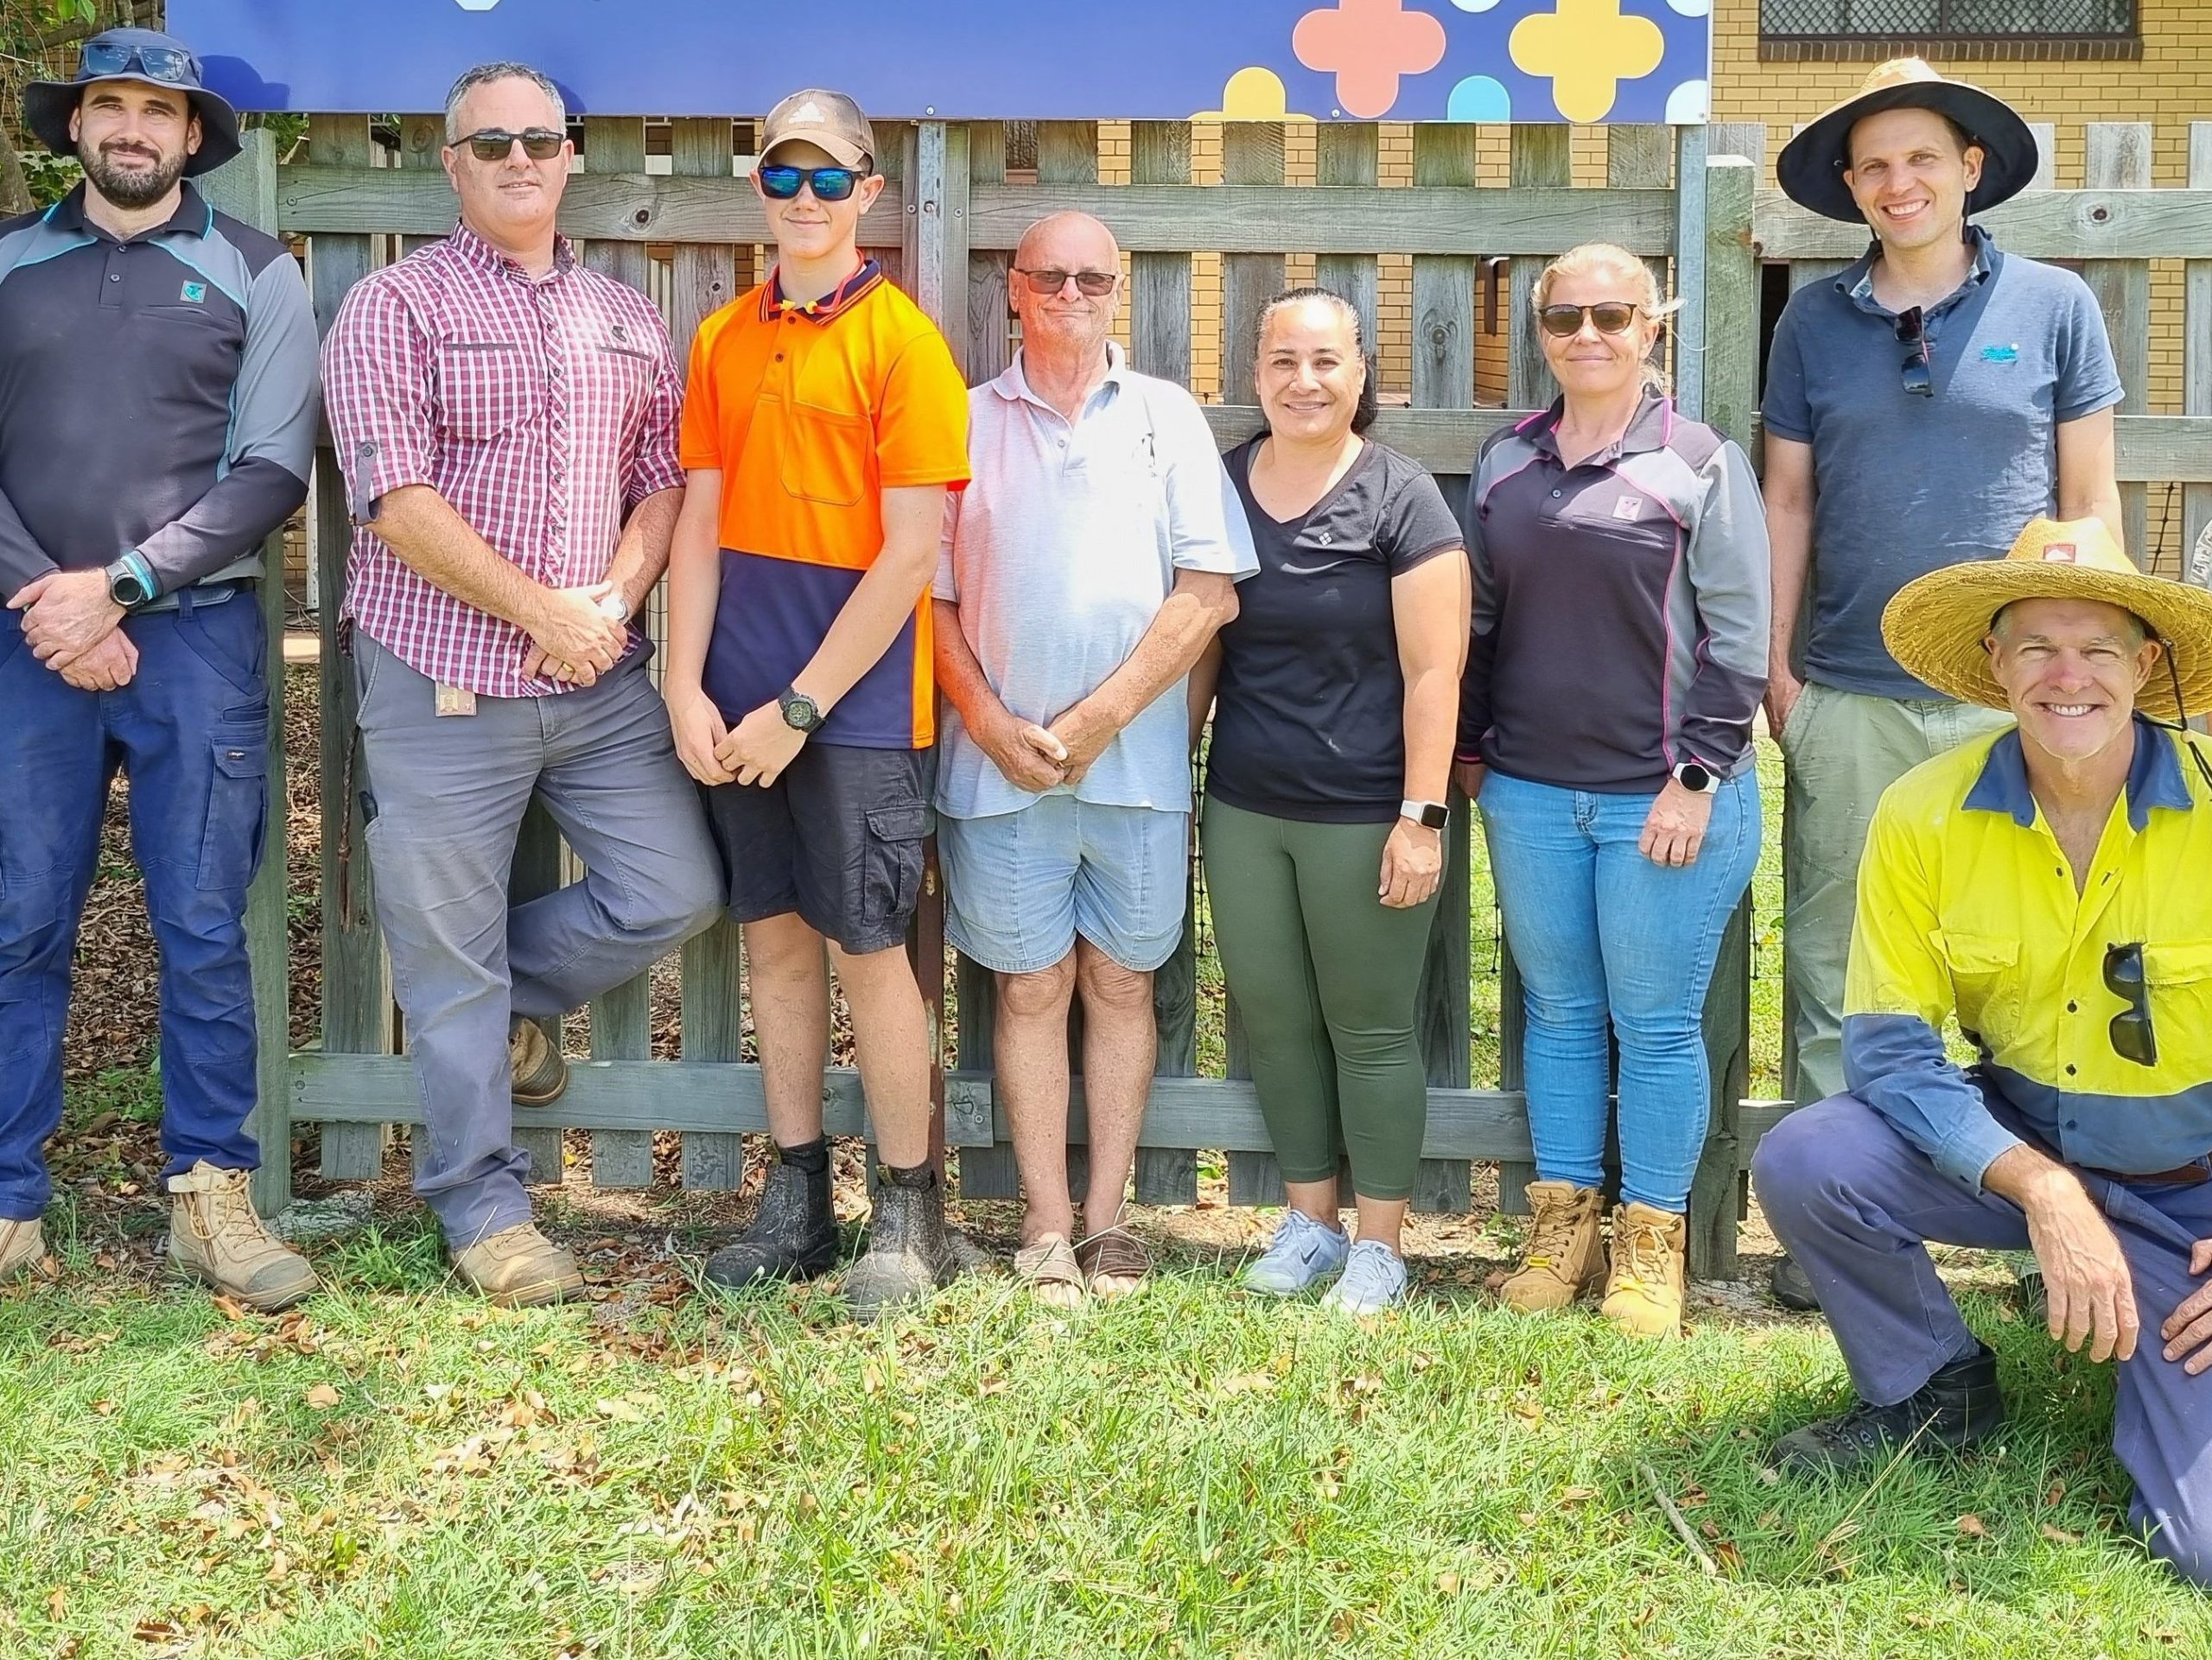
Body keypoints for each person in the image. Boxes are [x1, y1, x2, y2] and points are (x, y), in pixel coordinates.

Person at [319, 60, 723, 1307]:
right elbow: (396, 503)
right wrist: (537, 609)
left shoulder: (629, 314)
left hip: (598, 678)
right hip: (442, 673)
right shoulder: (394, 307)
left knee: (678, 888)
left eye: (539, 140)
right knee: (445, 956)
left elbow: (662, 476)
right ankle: (482, 1208)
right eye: (489, 142)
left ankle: (487, 1000)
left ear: (568, 157)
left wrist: (608, 597)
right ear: (452, 163)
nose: (517, 158)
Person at [1753, 516, 2212, 1590]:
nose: (2066, 678)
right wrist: (2046, 1194)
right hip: (2026, 1150)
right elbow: (1893, 1050)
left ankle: (2144, 1329)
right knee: (1809, 1156)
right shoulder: (1923, 813)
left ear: (2145, 668)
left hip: (2193, 1201)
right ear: (1992, 664)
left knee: (2198, 1552)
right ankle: (1933, 1385)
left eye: (2097, 649)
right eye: (2036, 649)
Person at [1764, 60, 2125, 1310]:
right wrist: (1779, 671)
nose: (1897, 182)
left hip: (2017, 696)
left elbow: (2089, 505)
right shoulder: (1814, 322)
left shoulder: (2057, 303)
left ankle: (2056, 1225)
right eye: (1873, 166)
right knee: (1840, 962)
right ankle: (1842, 1235)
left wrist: (2092, 674)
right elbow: (1790, 500)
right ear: (1851, 188)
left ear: (1970, 168)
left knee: (2033, 965)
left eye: (1921, 157)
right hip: (1854, 687)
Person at [0, 29, 319, 1308]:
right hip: (25, 639)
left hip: (195, 644)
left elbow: (271, 470)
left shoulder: (256, 272)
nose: (132, 129)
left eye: (159, 112)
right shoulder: (9, 263)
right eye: (109, 107)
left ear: (195, 139)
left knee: (200, 924)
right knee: (21, 919)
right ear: (75, 127)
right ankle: (11, 1203)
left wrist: (121, 588)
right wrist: (52, 600)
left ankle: (210, 1200)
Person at [664, 90, 975, 1321]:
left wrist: (798, 705)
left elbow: (910, 556)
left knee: (869, 952)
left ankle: (911, 1212)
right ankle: (798, 1200)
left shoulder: (905, 343)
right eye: (782, 178)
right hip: (736, 696)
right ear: (761, 191)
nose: (804, 200)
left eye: (827, 178)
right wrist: (683, 682)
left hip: (847, 710)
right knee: (775, 944)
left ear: (869, 193)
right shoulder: (723, 338)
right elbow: (696, 520)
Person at [934, 211, 1254, 1306]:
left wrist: (1102, 718)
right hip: (1000, 769)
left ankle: (1110, 1222)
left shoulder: (1167, 418)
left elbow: (1208, 593)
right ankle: (1042, 1224)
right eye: (1049, 277)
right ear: (1013, 291)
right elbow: (923, 598)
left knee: (1121, 982)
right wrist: (984, 721)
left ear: (1118, 288)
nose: (1071, 293)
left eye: (1092, 277)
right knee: (1028, 990)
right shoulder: (961, 421)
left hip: (1137, 768)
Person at [1459, 245, 1769, 1339]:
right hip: (1535, 794)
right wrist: (1470, 758)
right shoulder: (1504, 462)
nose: (1586, 334)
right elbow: (1480, 626)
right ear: (1541, 330)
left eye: (1611, 315)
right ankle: (1560, 1229)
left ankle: (1650, 1245)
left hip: (1663, 799)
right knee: (1560, 1013)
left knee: (1653, 1021)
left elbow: (1737, 635)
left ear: (1653, 327)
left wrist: (1695, 776)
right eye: (1564, 317)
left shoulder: (1697, 461)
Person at [1192, 288, 1468, 1316]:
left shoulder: (1402, 498)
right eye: (1282, 361)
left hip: (1365, 813)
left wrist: (1420, 816)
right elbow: (1201, 648)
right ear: (1254, 374)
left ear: (1363, 376)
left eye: (1325, 361)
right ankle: (1309, 1224)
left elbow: (1434, 673)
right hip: (1247, 809)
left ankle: (1380, 1244)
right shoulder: (1222, 488)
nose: (1303, 381)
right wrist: (1176, 783)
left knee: (1371, 1028)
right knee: (1273, 1018)